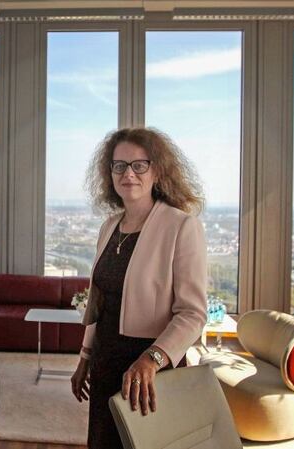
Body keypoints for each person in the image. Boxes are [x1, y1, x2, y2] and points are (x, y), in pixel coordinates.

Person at [70, 127, 208, 448]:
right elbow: (99, 302)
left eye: (139, 165)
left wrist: (152, 359)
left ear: (156, 170)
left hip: (150, 370)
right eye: (119, 165)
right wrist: (84, 357)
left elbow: (192, 314)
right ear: (110, 173)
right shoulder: (109, 227)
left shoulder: (182, 226)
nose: (128, 173)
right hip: (105, 360)